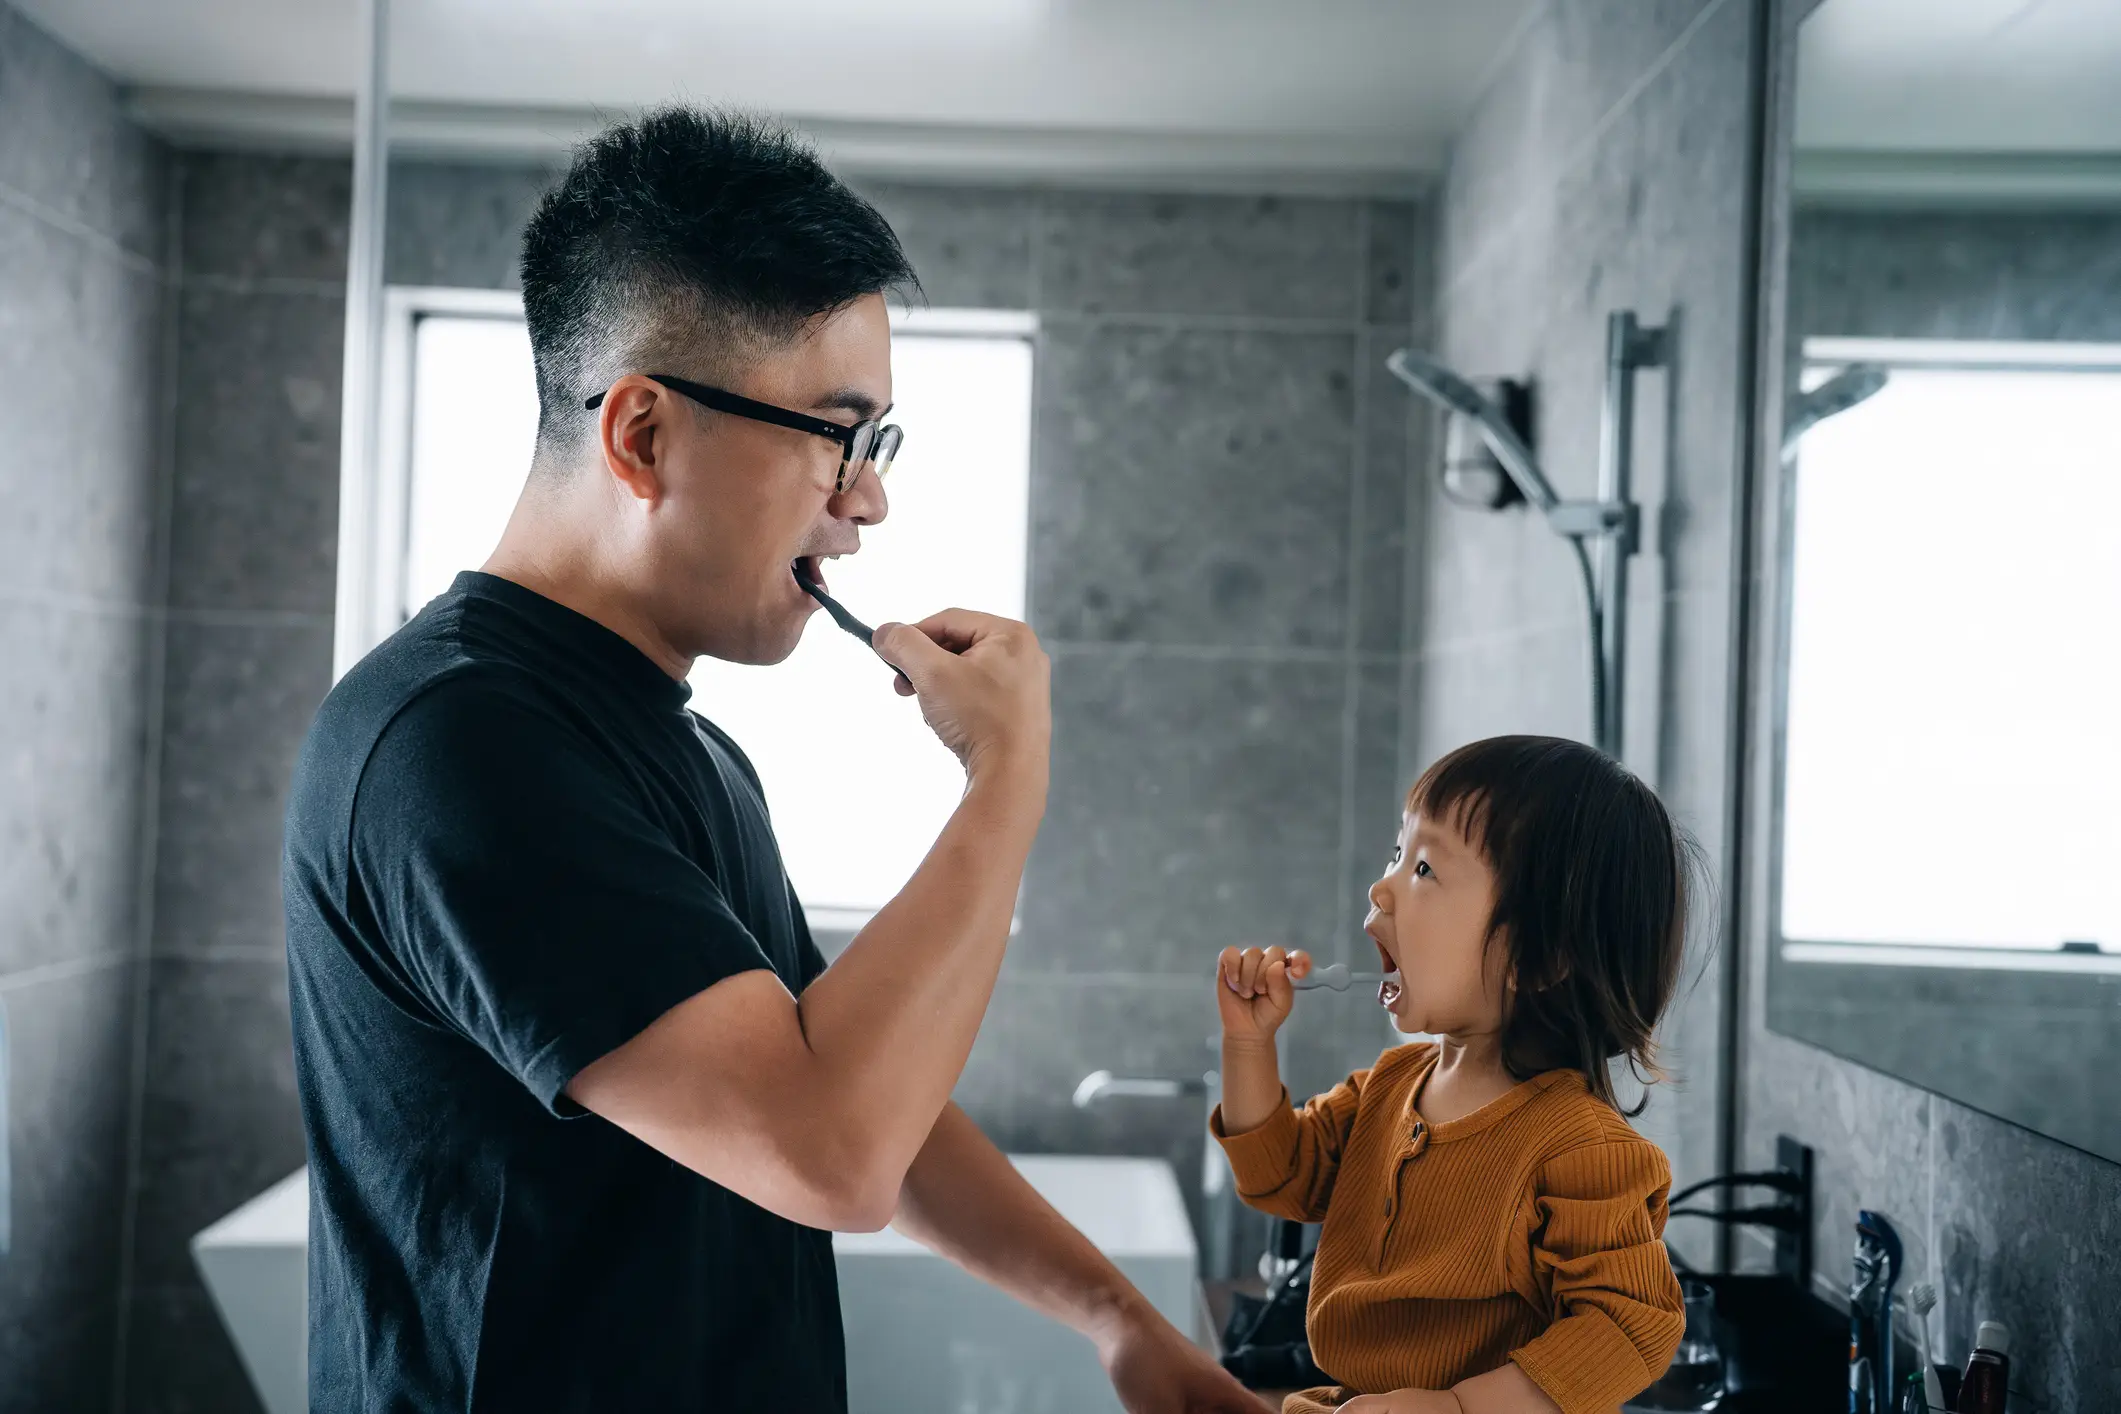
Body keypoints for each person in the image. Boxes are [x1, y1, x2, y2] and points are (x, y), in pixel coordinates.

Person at [282, 106, 1265, 1413]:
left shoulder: (682, 747)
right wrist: (1006, 775)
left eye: (879, 443)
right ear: (642, 436)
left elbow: (849, 1089)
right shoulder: (461, 746)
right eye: (836, 435)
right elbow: (832, 1154)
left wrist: (1119, 1320)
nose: (868, 499)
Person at [1210, 736, 1692, 1414]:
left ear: (1541, 953)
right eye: (1395, 854)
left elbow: (1630, 1326)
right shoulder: (1388, 1085)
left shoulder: (1580, 1148)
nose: (1381, 885)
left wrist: (1458, 1407)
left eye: (1425, 868)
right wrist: (1248, 1046)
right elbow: (1278, 1174)